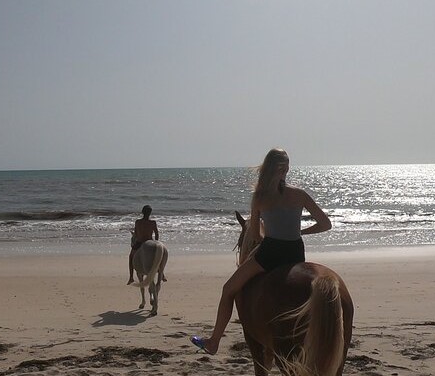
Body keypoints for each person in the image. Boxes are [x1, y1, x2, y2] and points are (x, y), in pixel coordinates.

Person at [191, 148, 330, 355]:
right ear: (287, 168)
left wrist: (274, 233)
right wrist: (299, 231)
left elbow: (255, 236)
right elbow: (325, 224)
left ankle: (213, 342)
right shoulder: (300, 194)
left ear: (266, 168)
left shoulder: (259, 197)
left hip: (269, 254)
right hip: (296, 254)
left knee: (228, 289)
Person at [127, 205, 161, 284]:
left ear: (142, 212)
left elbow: (136, 234)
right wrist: (156, 242)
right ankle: (162, 274)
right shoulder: (153, 222)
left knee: (131, 257)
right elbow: (156, 234)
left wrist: (135, 241)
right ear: (150, 213)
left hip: (140, 243)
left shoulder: (138, 222)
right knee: (159, 255)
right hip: (150, 241)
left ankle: (131, 277)